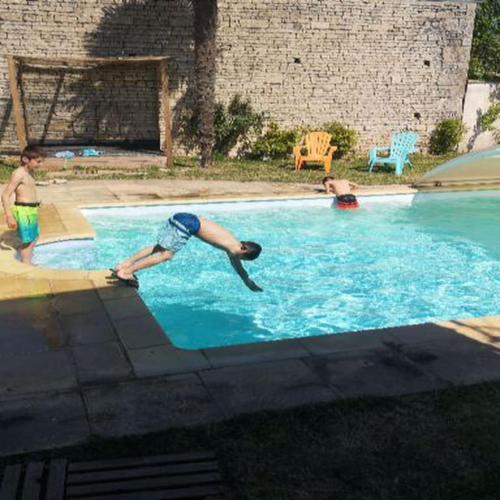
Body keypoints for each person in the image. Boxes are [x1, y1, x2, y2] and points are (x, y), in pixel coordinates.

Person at [112, 212, 263, 291]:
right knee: (166, 256)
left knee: (159, 248)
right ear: (243, 249)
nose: (239, 259)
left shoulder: (234, 243)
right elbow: (238, 268)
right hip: (188, 224)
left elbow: (239, 267)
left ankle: (124, 265)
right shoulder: (234, 248)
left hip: (184, 218)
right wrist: (248, 282)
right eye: (243, 258)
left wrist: (247, 281)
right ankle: (126, 272)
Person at [1, 146, 46, 265]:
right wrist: (9, 216)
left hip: (30, 210)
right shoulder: (19, 174)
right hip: (24, 212)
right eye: (38, 161)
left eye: (42, 161)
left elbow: (26, 192)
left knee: (34, 237)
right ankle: (26, 265)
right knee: (28, 241)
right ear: (26, 159)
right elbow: (5, 195)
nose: (40, 165)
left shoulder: (28, 173)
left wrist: (36, 202)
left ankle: (27, 260)